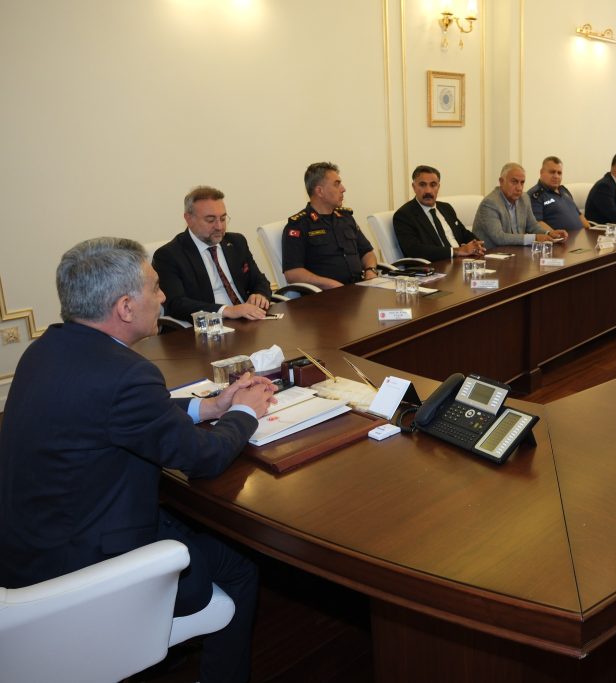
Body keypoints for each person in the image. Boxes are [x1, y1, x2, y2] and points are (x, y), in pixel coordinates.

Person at [0, 237, 277, 683]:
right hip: (84, 573)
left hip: (29, 547)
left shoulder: (46, 349)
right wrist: (245, 413)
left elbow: (116, 412)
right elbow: (201, 459)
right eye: (155, 287)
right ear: (126, 307)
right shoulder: (126, 374)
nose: (163, 297)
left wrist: (209, 407)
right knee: (240, 564)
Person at [152, 186, 273, 321]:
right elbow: (176, 304)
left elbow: (259, 280)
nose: (219, 227)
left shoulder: (236, 242)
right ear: (189, 219)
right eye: (210, 220)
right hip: (210, 326)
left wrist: (260, 294)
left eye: (223, 219)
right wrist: (227, 311)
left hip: (248, 318)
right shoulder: (168, 255)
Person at [282, 162, 378, 289]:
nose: (343, 189)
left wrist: (370, 270)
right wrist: (330, 284)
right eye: (337, 184)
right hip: (325, 295)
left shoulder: (346, 218)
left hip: (359, 289)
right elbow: (292, 273)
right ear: (320, 191)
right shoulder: (299, 225)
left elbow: (367, 252)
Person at [392, 164, 485, 262]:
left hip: (461, 262)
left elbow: (464, 234)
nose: (428, 191)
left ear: (438, 187)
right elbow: (414, 250)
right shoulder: (404, 215)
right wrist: (457, 251)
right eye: (422, 185)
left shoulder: (446, 208)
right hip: (435, 266)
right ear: (414, 187)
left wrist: (476, 244)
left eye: (433, 185)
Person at [472, 162, 569, 249]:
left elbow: (532, 226)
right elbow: (499, 237)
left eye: (522, 182)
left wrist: (549, 233)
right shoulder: (490, 203)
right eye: (514, 182)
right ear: (501, 181)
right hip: (490, 256)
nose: (519, 188)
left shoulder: (524, 198)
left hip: (516, 253)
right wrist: (534, 238)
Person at [528, 156, 590, 231]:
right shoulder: (535, 195)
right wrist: (556, 235)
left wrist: (590, 231)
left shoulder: (564, 190)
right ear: (541, 172)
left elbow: (579, 215)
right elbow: (537, 223)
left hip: (581, 236)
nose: (556, 176)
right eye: (552, 172)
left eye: (559, 173)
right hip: (561, 238)